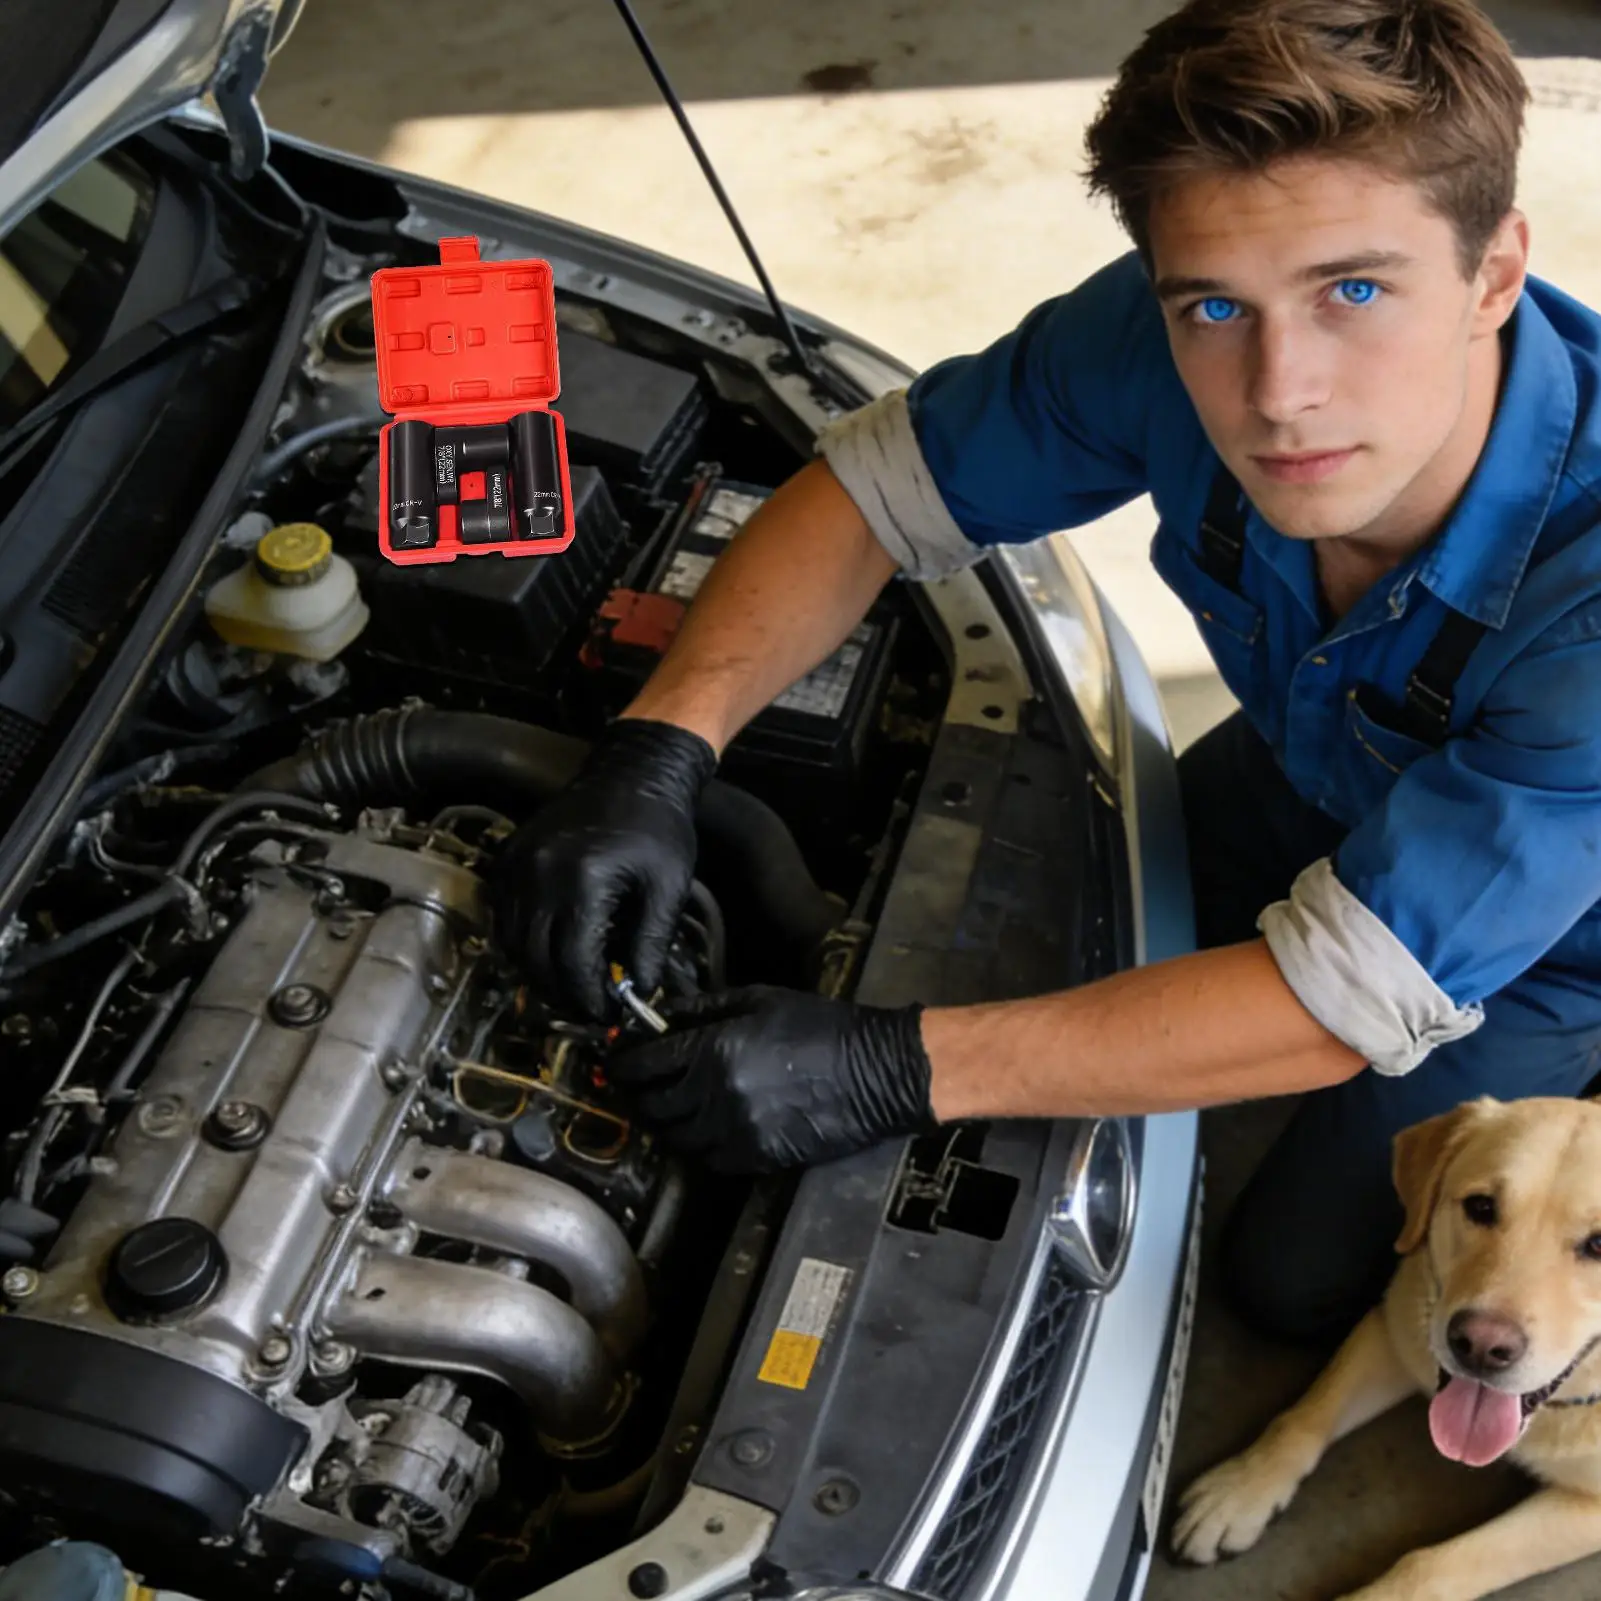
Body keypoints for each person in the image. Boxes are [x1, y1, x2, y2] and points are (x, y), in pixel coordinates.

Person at [491, 0, 1601, 1346]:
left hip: (1548, 941)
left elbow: (1337, 1004)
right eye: (1215, 305)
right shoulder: (1162, 331)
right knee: (1033, 918)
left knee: (1297, 1283)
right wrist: (660, 748)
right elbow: (870, 496)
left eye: (1353, 291)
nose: (1279, 391)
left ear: (1495, 273)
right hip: (1312, 764)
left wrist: (892, 1070)